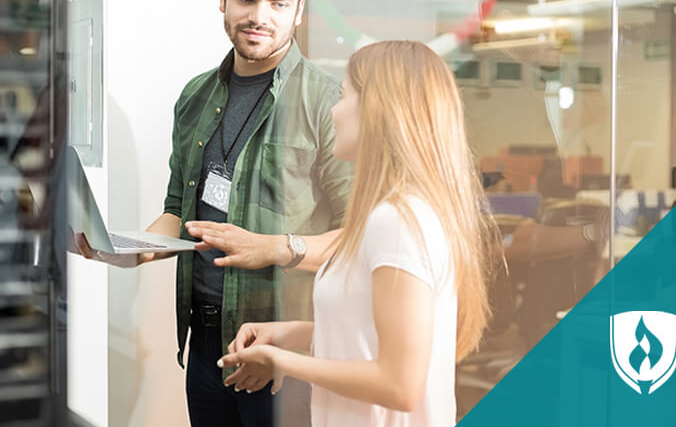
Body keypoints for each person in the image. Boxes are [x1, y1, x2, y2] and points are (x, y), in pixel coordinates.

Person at [72, 0, 354, 425]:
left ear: (300, 10)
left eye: (279, 4)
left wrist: (276, 247)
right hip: (204, 346)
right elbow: (177, 210)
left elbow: (359, 239)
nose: (259, 17)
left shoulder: (329, 103)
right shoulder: (195, 96)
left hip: (285, 355)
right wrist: (131, 249)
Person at [215, 41, 503, 426]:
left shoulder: (398, 222)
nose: (334, 112)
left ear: (377, 110)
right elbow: (370, 337)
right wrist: (291, 335)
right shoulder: (392, 215)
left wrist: (284, 362)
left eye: (344, 96)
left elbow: (399, 384)